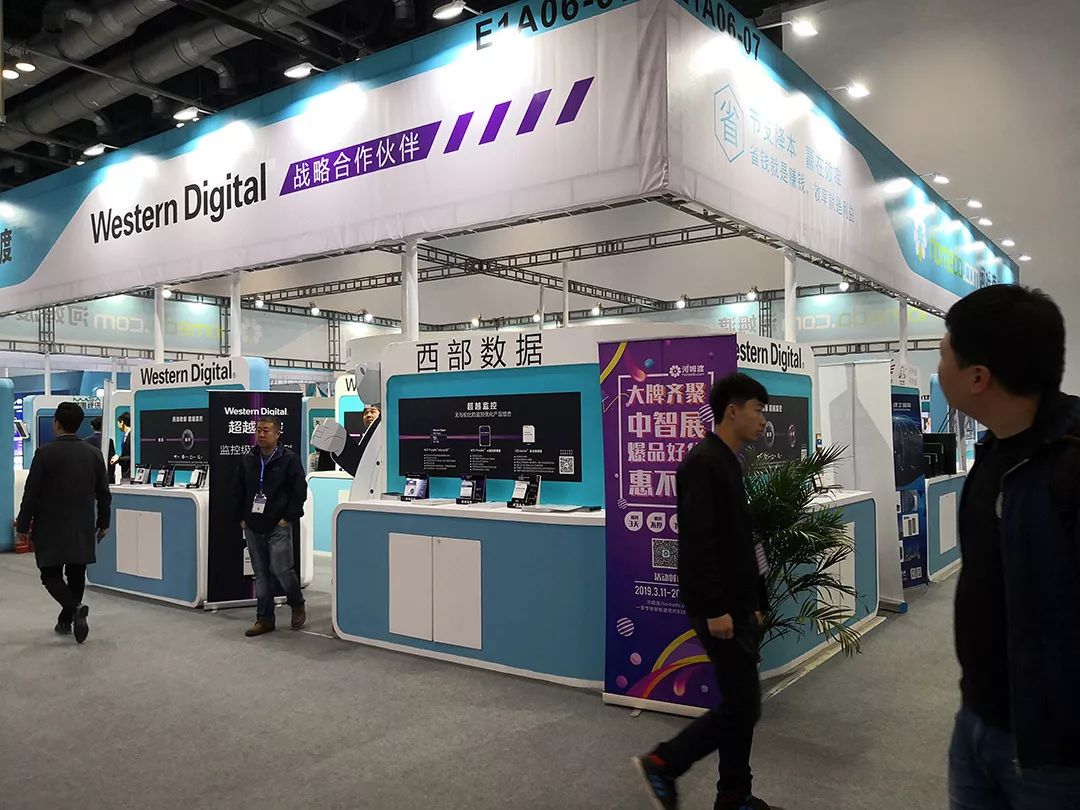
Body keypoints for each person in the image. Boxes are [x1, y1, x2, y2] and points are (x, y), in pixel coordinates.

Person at [938, 285, 1080, 808]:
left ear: (979, 377)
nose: (938, 366)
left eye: (943, 353)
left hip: (1054, 751)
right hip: (978, 718)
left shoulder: (1069, 465)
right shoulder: (995, 450)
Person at [634, 373, 773, 810]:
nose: (763, 420)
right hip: (718, 607)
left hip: (737, 603)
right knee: (743, 706)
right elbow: (699, 542)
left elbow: (742, 539)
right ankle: (664, 762)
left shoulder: (728, 461)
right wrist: (716, 608)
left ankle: (733, 795)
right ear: (732, 410)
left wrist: (757, 600)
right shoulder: (702, 463)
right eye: (758, 410)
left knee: (740, 704)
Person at [16, 401, 112, 644]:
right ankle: (66, 618)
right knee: (76, 574)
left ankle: (72, 610)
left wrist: (22, 526)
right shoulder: (94, 454)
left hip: (50, 526)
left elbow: (31, 493)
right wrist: (104, 522)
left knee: (49, 574)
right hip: (82, 524)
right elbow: (104, 492)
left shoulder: (45, 453)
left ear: (56, 423)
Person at [234, 414, 308, 637]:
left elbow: (299, 490)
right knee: (261, 574)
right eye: (258, 430)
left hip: (278, 524)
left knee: (282, 570)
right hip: (253, 525)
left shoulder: (289, 459)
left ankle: (296, 602)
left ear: (277, 434)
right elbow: (238, 489)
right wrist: (242, 517)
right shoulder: (249, 459)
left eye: (266, 430)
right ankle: (264, 618)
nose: (261, 434)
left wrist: (289, 517)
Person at [110, 411, 132, 480]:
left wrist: (119, 459)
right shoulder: (126, 436)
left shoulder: (132, 436)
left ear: (122, 422)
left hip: (130, 472)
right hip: (125, 471)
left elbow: (133, 456)